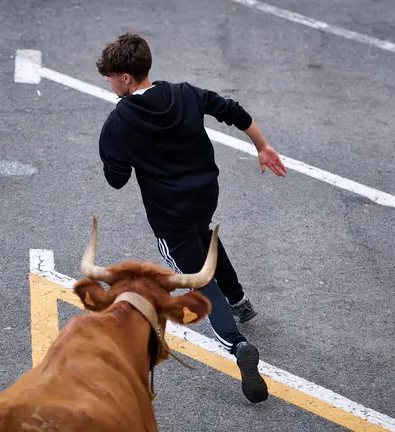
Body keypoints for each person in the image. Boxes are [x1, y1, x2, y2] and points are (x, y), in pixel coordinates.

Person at [95, 32, 287, 404]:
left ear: (126, 79)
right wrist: (262, 146)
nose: (108, 82)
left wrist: (114, 153)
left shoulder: (119, 122)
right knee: (202, 234)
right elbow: (232, 111)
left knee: (200, 281)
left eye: (110, 76)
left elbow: (116, 179)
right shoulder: (184, 93)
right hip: (204, 196)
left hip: (170, 215)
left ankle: (237, 345)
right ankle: (240, 301)